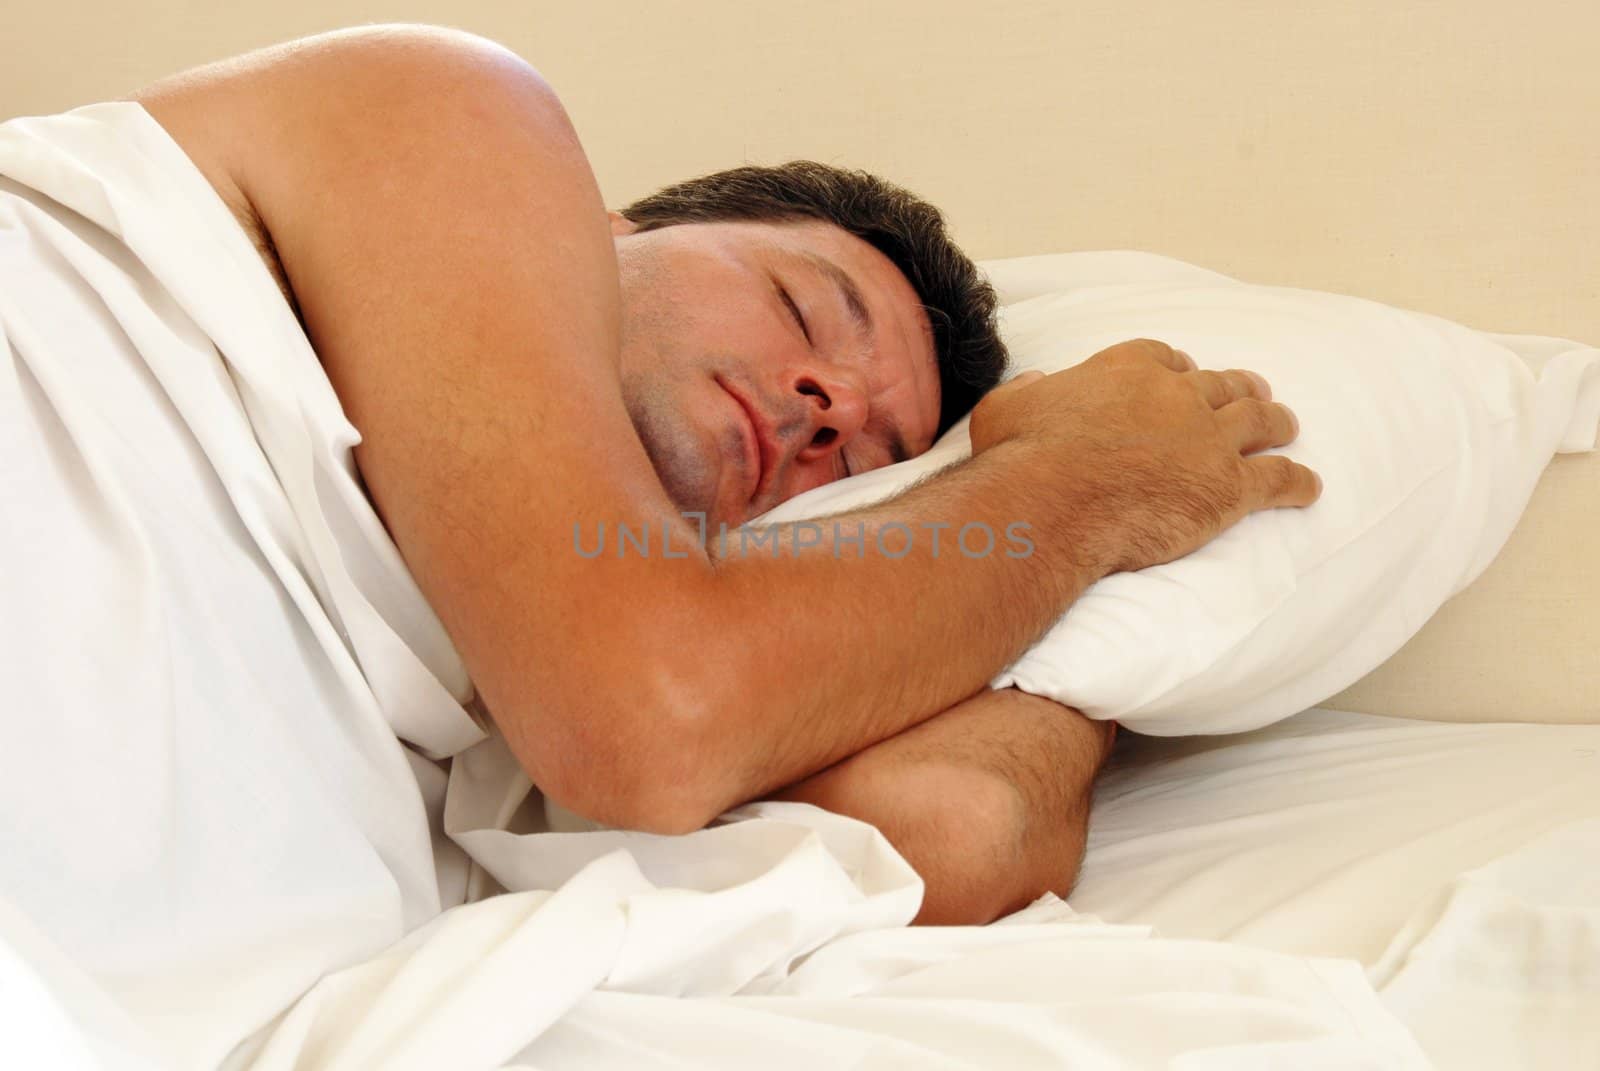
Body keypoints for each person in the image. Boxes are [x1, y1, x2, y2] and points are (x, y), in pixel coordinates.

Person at [8, 23, 1318, 941]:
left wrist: (1083, 607)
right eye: (805, 306)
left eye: (863, 461)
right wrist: (1076, 489)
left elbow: (948, 832)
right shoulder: (445, 109)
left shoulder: (529, 687)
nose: (829, 406)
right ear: (614, 226)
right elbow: (657, 710)